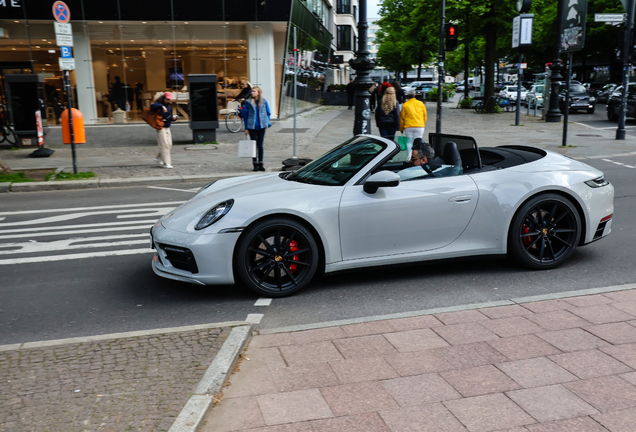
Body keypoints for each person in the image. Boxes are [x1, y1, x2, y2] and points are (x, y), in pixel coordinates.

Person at [240, 86, 271, 172]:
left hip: (262, 127)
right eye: (252, 91)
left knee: (260, 145)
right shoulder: (248, 102)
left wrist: (266, 121)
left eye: (254, 91)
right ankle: (255, 164)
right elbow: (245, 116)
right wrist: (246, 128)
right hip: (252, 127)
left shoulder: (264, 102)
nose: (252, 93)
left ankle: (261, 163)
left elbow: (268, 113)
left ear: (258, 92)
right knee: (253, 145)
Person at [150, 92, 177, 169]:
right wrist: (161, 106)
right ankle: (167, 163)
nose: (167, 101)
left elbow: (167, 115)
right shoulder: (158, 104)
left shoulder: (168, 105)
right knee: (164, 144)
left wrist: (173, 118)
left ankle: (158, 158)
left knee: (169, 144)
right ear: (163, 98)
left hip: (167, 126)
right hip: (160, 126)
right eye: (166, 99)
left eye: (169, 99)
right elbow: (152, 106)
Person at [400, 87, 427, 158]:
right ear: (415, 95)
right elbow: (425, 116)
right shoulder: (421, 103)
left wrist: (401, 128)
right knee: (419, 142)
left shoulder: (405, 105)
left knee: (409, 142)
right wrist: (422, 124)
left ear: (408, 96)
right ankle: (418, 157)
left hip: (408, 125)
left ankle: (409, 158)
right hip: (419, 125)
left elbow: (402, 118)